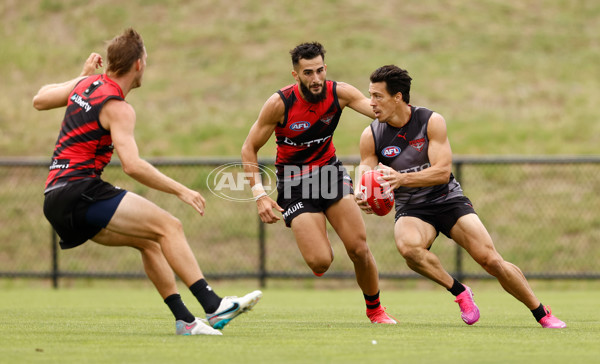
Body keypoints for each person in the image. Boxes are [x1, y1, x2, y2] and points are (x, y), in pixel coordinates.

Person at [32, 28, 262, 336]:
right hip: (80, 189)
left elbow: (40, 100)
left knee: (150, 242)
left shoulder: (85, 85)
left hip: (54, 198)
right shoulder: (119, 107)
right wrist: (181, 189)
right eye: (146, 60)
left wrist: (81, 76)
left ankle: (186, 321)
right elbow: (132, 165)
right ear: (138, 64)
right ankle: (214, 306)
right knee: (170, 226)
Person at [355, 64, 566, 328]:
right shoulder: (372, 134)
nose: (370, 102)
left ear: (398, 97)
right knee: (409, 249)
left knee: (491, 260)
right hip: (412, 208)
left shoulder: (430, 121)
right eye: (370, 95)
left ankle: (541, 313)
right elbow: (364, 169)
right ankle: (460, 292)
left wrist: (402, 178)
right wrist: (360, 192)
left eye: (377, 96)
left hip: (448, 201)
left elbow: (442, 172)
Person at [241, 42, 396, 324]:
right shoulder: (280, 104)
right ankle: (313, 226)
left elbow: (382, 115)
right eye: (308, 73)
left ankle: (376, 311)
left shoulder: (340, 93)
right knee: (320, 262)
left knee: (358, 248)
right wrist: (260, 195)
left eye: (320, 70)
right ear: (295, 74)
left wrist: (401, 110)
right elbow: (248, 148)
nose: (316, 79)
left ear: (326, 68)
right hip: (294, 184)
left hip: (330, 175)